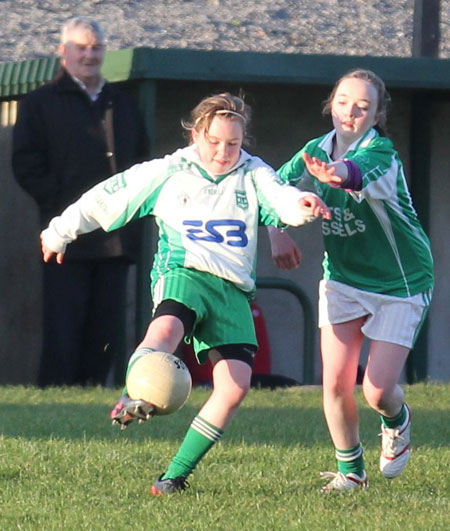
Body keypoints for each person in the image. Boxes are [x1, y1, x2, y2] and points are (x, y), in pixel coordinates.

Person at [40, 92, 330, 494]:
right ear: (196, 134)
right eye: (214, 141)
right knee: (165, 334)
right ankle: (132, 393)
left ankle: (173, 477)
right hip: (184, 273)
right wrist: (60, 231)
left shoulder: (252, 172)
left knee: (235, 386)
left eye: (233, 143)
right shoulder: (169, 171)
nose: (223, 152)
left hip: (231, 289)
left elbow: (281, 198)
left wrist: (303, 205)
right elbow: (108, 196)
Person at [268, 69, 434, 491]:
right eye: (343, 101)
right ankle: (352, 473)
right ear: (331, 104)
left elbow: (351, 173)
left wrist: (332, 175)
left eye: (363, 106)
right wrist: (277, 231)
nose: (350, 112)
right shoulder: (314, 149)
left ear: (377, 115)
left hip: (401, 282)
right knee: (336, 381)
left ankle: (398, 421)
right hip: (343, 279)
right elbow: (274, 189)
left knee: (377, 391)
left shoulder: (382, 154)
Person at [12, 16, 149, 387]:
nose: (89, 55)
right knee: (63, 325)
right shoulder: (40, 104)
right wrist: (62, 208)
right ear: (63, 51)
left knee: (103, 328)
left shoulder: (121, 103)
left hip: (115, 237)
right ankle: (57, 394)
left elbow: (142, 163)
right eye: (81, 47)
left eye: (96, 48)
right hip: (65, 237)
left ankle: (93, 393)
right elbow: (25, 163)